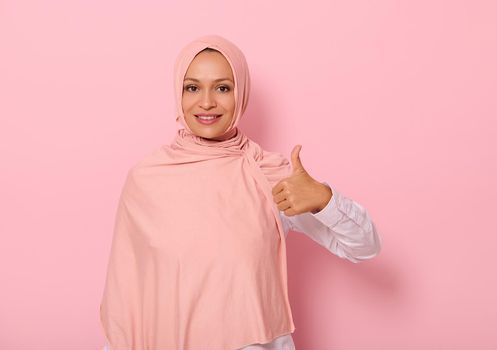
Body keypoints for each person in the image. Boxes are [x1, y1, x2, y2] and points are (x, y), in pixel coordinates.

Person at [99, 34, 381, 350]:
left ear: (241, 93)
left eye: (223, 87)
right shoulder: (147, 179)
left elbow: (364, 247)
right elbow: (128, 294)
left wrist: (325, 200)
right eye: (192, 87)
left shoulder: (270, 174)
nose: (206, 102)